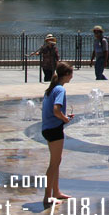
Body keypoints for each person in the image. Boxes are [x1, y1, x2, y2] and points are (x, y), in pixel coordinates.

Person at [41, 62, 75, 204]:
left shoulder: (52, 88)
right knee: (54, 163)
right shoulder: (60, 89)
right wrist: (65, 119)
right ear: (67, 74)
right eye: (71, 74)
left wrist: (64, 117)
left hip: (47, 128)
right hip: (54, 129)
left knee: (57, 161)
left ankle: (57, 192)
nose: (72, 77)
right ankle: (47, 197)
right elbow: (56, 110)